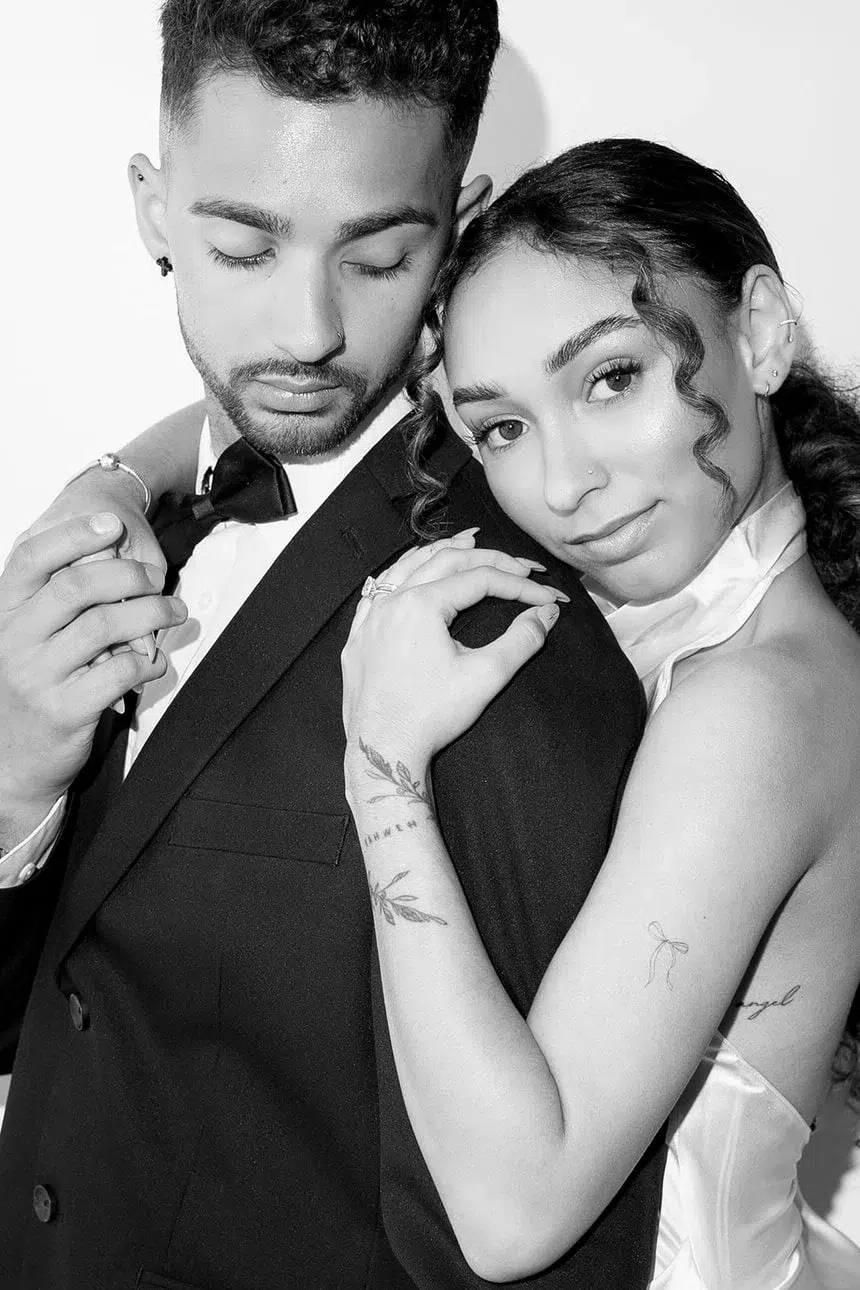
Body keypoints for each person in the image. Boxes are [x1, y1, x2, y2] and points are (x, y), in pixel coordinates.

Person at [0, 6, 666, 1288]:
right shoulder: (133, 514)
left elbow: (522, 1243)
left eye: (374, 257)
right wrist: (16, 784)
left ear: (457, 226)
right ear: (152, 208)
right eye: (242, 245)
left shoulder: (501, 639)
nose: (305, 332)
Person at [335, 139, 860, 1288]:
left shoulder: (754, 705)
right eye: (503, 429)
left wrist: (378, 765)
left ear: (760, 333)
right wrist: (131, 474)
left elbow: (514, 1213)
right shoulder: (700, 641)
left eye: (611, 377)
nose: (561, 484)